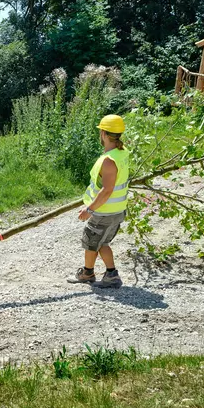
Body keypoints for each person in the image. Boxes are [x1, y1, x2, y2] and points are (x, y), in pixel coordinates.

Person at [68, 114, 130, 288]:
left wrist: (90, 209)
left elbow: (107, 190)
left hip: (104, 211)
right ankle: (108, 274)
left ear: (103, 133)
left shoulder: (109, 161)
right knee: (102, 242)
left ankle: (89, 274)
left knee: (91, 242)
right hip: (117, 210)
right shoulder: (122, 153)